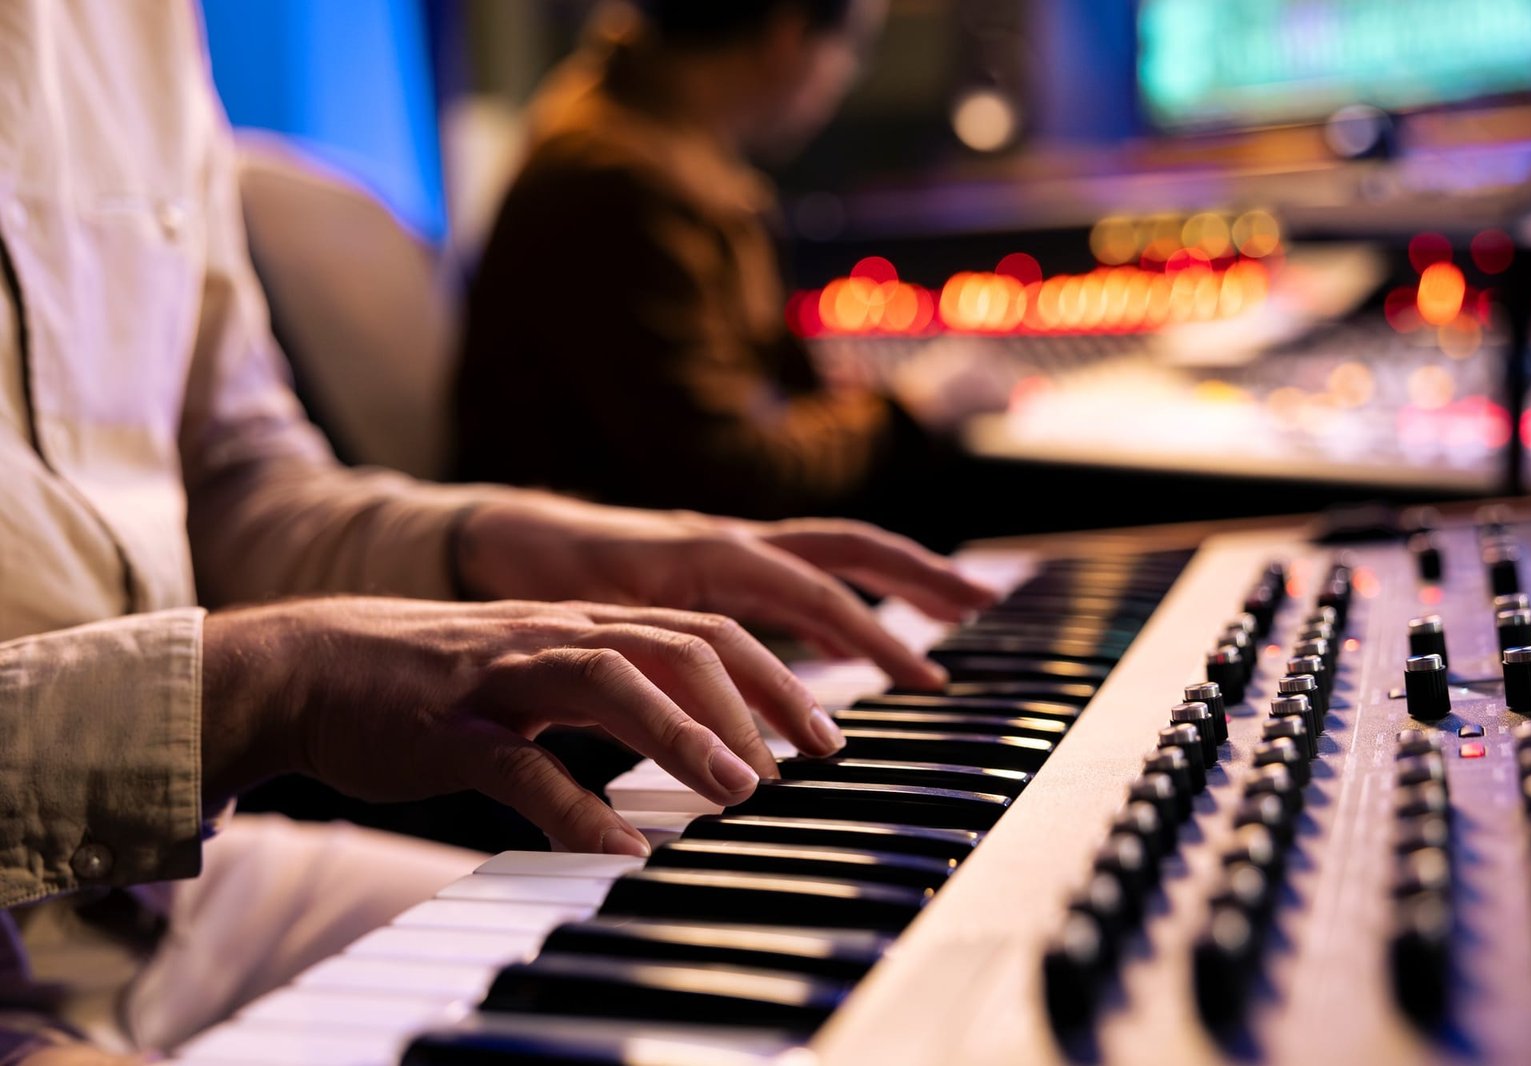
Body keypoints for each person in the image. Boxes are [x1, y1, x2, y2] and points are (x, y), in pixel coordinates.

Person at [0, 2, 997, 1062]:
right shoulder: (613, 172)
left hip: (168, 889)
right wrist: (273, 681)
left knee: (832, 978)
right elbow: (262, 652)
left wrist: (579, 545)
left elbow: (240, 482)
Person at [454, 0, 1006, 531]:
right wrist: (913, 409)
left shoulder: (636, 130)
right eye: (853, 50)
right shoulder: (621, 180)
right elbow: (729, 476)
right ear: (788, 35)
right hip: (627, 595)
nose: (846, 77)